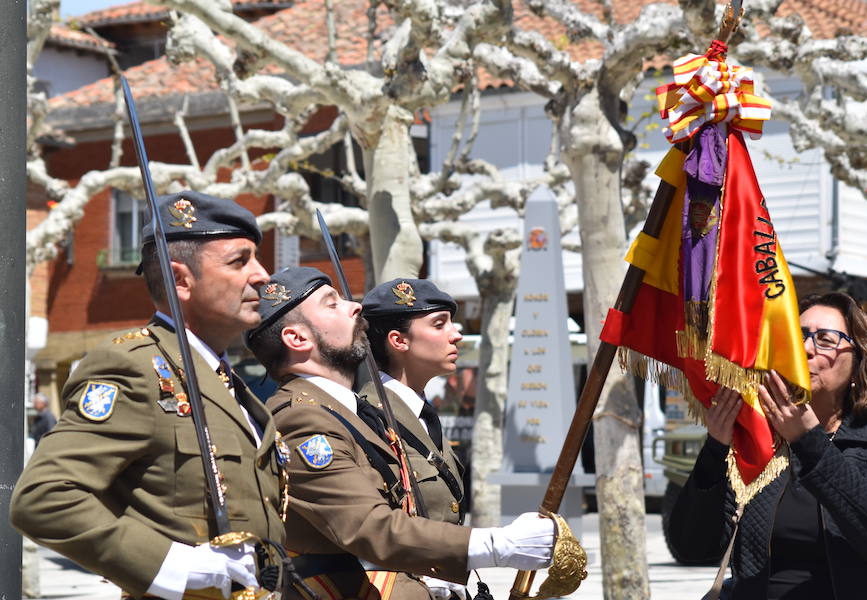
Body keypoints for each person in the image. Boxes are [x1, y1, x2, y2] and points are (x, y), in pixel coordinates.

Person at [10, 191, 286, 600]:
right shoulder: (134, 368)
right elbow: (44, 499)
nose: (263, 275)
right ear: (180, 281)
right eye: (239, 261)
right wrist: (175, 567)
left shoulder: (230, 383)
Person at [245, 266, 556, 600]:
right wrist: (497, 545)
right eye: (331, 304)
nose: (355, 307)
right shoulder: (302, 419)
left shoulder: (351, 412)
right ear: (297, 338)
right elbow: (367, 526)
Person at [667, 292, 867, 599]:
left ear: (858, 365)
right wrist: (715, 449)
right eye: (797, 336)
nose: (805, 349)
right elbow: (691, 547)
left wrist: (808, 441)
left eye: (826, 340)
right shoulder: (756, 441)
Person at [360, 279, 468, 600]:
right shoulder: (368, 417)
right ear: (399, 341)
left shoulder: (422, 414)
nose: (456, 334)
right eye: (439, 324)